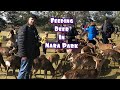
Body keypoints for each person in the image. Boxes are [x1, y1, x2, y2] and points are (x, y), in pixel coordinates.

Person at [17, 15, 40, 79]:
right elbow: (21, 42)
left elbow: (35, 41)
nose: (33, 21)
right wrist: (23, 55)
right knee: (23, 71)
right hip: (26, 54)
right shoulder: (24, 28)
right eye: (32, 19)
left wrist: (38, 44)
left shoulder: (34, 29)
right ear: (28, 20)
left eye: (34, 20)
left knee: (28, 71)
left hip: (31, 54)